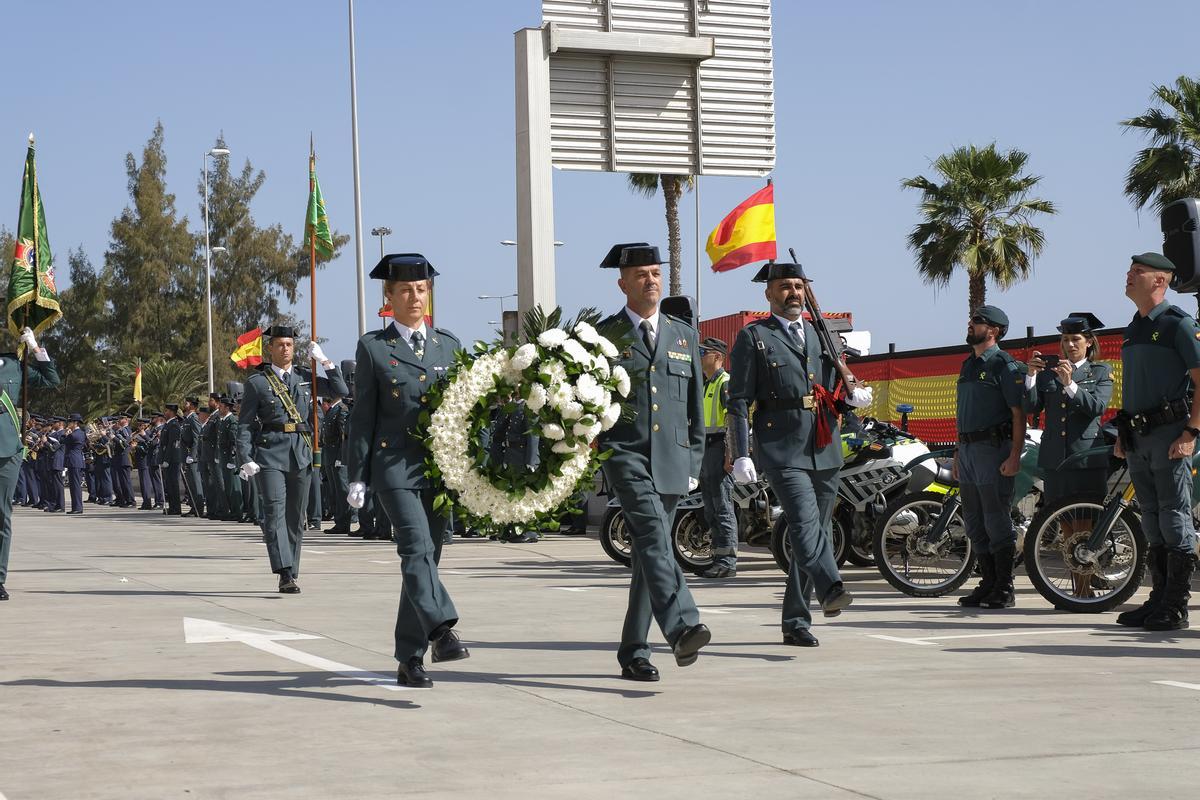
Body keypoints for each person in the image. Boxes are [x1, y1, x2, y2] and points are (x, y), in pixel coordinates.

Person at [728, 262, 869, 646]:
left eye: (798, 286)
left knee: (818, 533)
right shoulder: (754, 337)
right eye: (784, 286)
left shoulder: (821, 333)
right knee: (805, 526)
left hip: (824, 445)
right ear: (768, 294)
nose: (793, 292)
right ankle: (830, 587)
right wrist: (741, 452)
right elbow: (739, 400)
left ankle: (795, 620)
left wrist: (853, 394)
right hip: (780, 446)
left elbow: (836, 385)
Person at [346, 253, 470, 688]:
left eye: (420, 289)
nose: (414, 297)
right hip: (393, 464)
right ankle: (442, 631)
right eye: (404, 290)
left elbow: (464, 411)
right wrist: (356, 475)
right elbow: (362, 416)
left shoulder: (449, 346)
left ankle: (408, 657)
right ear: (390, 296)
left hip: (437, 469)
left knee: (427, 561)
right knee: (414, 548)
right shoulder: (374, 348)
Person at [596, 242, 710, 682]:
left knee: (650, 553)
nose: (651, 280)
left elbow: (694, 407)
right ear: (623, 283)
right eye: (641, 275)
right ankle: (682, 626)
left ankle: (634, 652)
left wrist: (695, 461)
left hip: (673, 459)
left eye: (656, 273)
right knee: (653, 538)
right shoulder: (604, 336)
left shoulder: (684, 335)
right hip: (625, 454)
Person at [1113, 253, 1200, 631]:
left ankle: (1176, 605)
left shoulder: (1177, 324)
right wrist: (1123, 435)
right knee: (1150, 518)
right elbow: (1135, 387)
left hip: (1169, 435)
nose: (1128, 277)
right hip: (1138, 437)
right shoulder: (1133, 328)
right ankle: (1158, 596)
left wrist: (1190, 433)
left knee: (1173, 514)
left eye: (1137, 272)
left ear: (1160, 281)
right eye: (1129, 271)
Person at [237, 325, 347, 594]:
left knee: (296, 518)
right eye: (280, 345)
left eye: (289, 344)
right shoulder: (258, 383)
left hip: (300, 452)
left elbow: (340, 390)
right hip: (270, 453)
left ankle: (292, 570)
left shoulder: (305, 378)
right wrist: (245, 456)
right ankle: (284, 572)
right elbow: (245, 424)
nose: (285, 349)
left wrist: (325, 361)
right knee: (274, 512)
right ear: (270, 348)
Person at [1024, 313, 1114, 598]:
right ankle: (1076, 591)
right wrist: (1031, 376)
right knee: (1065, 527)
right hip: (1056, 458)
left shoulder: (1099, 372)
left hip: (1085, 458)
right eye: (1065, 340)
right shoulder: (1050, 373)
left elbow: (1097, 407)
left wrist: (1070, 384)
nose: (1070, 345)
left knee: (1085, 525)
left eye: (1076, 339)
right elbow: (1032, 406)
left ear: (1089, 342)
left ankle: (1084, 591)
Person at [952, 305, 1027, 609]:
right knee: (973, 521)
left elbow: (1018, 415)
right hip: (968, 452)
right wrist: (958, 453)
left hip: (993, 451)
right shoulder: (968, 365)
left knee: (996, 519)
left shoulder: (1004, 366)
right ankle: (987, 582)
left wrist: (1015, 455)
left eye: (977, 322)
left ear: (993, 331)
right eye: (972, 320)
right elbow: (963, 414)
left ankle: (1004, 587)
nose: (970, 324)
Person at [0, 327, 62, 601]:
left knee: (2, 516)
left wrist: (36, 348)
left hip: (8, 446)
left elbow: (52, 380)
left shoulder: (14, 365)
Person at [696, 336, 738, 579]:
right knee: (711, 508)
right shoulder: (707, 383)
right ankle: (717, 558)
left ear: (718, 357)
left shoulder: (724, 382)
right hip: (706, 449)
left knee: (722, 506)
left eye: (705, 352)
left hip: (719, 449)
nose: (701, 356)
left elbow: (733, 422)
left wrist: (730, 456)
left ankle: (727, 562)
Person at [180, 398, 205, 517]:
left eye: (187, 403)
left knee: (196, 483)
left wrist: (193, 455)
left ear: (192, 406)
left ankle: (198, 508)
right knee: (190, 483)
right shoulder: (187, 419)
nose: (184, 405)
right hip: (187, 455)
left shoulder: (194, 418)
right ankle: (193, 507)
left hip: (192, 457)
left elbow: (197, 438)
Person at [160, 404, 183, 515]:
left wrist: (167, 459)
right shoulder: (168, 424)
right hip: (168, 459)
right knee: (169, 484)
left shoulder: (174, 425)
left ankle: (176, 508)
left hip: (173, 460)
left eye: (166, 410)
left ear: (172, 412)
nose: (165, 413)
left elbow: (172, 444)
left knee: (173, 484)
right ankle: (172, 506)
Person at [63, 414, 87, 514]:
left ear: (75, 423)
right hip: (77, 460)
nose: (69, 424)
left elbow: (62, 440)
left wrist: (66, 434)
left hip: (74, 461)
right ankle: (76, 507)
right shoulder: (81, 433)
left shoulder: (74, 434)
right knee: (74, 485)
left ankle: (77, 508)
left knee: (75, 486)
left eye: (70, 422)